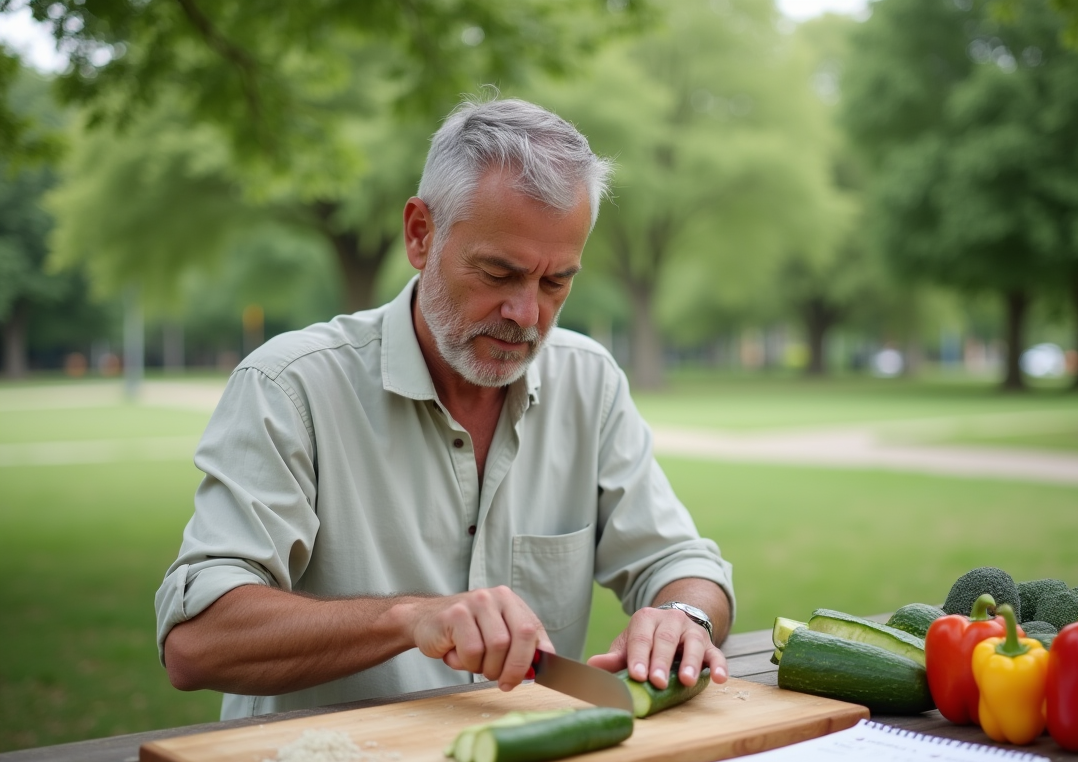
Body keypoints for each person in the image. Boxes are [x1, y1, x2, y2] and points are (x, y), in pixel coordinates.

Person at [155, 96, 735, 720]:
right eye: (496, 273)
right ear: (420, 234)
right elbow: (197, 641)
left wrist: (684, 615)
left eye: (555, 282)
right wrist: (411, 618)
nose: (525, 314)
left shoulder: (588, 380)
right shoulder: (291, 385)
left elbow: (683, 563)